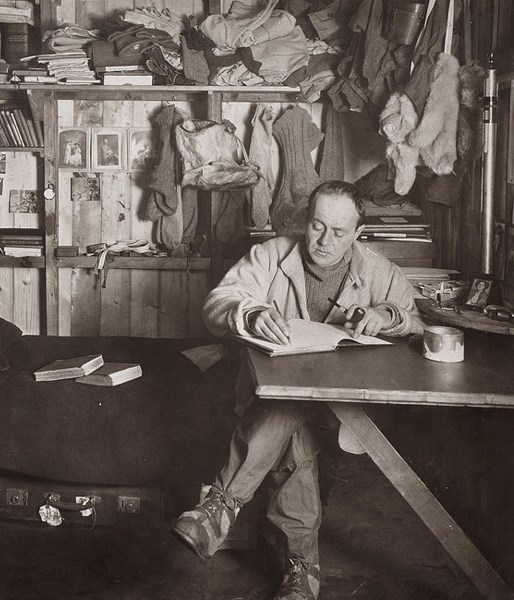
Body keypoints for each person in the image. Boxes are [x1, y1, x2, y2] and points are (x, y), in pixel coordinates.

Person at [172, 180, 424, 600]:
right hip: (281, 403)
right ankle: (302, 572)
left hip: (344, 410)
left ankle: (221, 505)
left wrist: (387, 313)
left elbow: (415, 320)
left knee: (289, 411)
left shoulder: (379, 269)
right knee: (294, 431)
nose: (324, 241)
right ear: (306, 221)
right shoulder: (271, 254)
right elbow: (217, 303)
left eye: (339, 232)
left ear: (358, 233)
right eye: (317, 226)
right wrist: (249, 314)